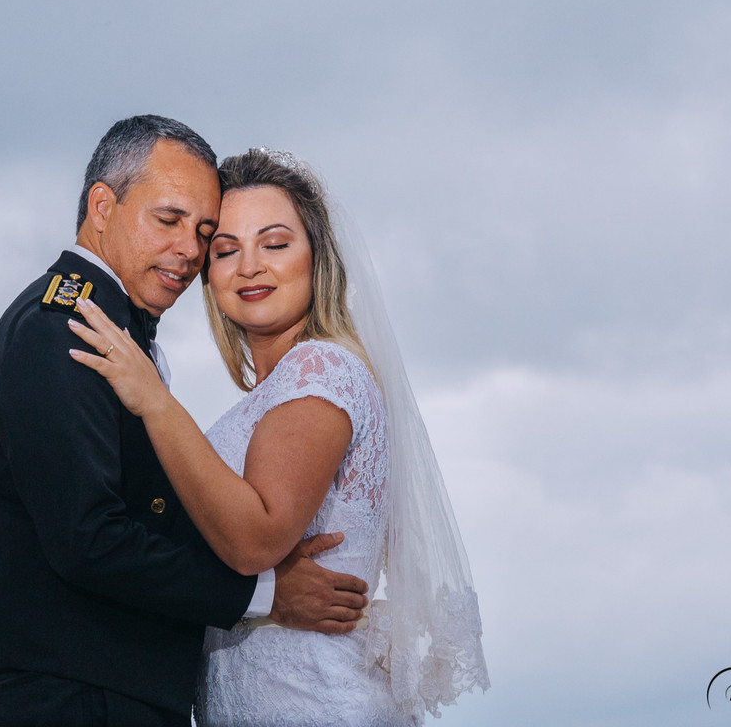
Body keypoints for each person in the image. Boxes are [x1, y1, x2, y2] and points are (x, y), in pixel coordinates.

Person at [0, 117, 371, 727]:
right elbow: (89, 538)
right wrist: (269, 594)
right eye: (168, 220)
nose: (189, 251)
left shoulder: (107, 327)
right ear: (102, 206)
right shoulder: (63, 326)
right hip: (76, 695)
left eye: (203, 233)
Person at [68, 147, 490, 726]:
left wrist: (153, 402)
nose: (250, 267)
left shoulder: (322, 371)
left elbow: (254, 537)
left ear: (317, 257)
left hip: (312, 702)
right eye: (226, 250)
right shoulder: (268, 398)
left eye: (275, 243)